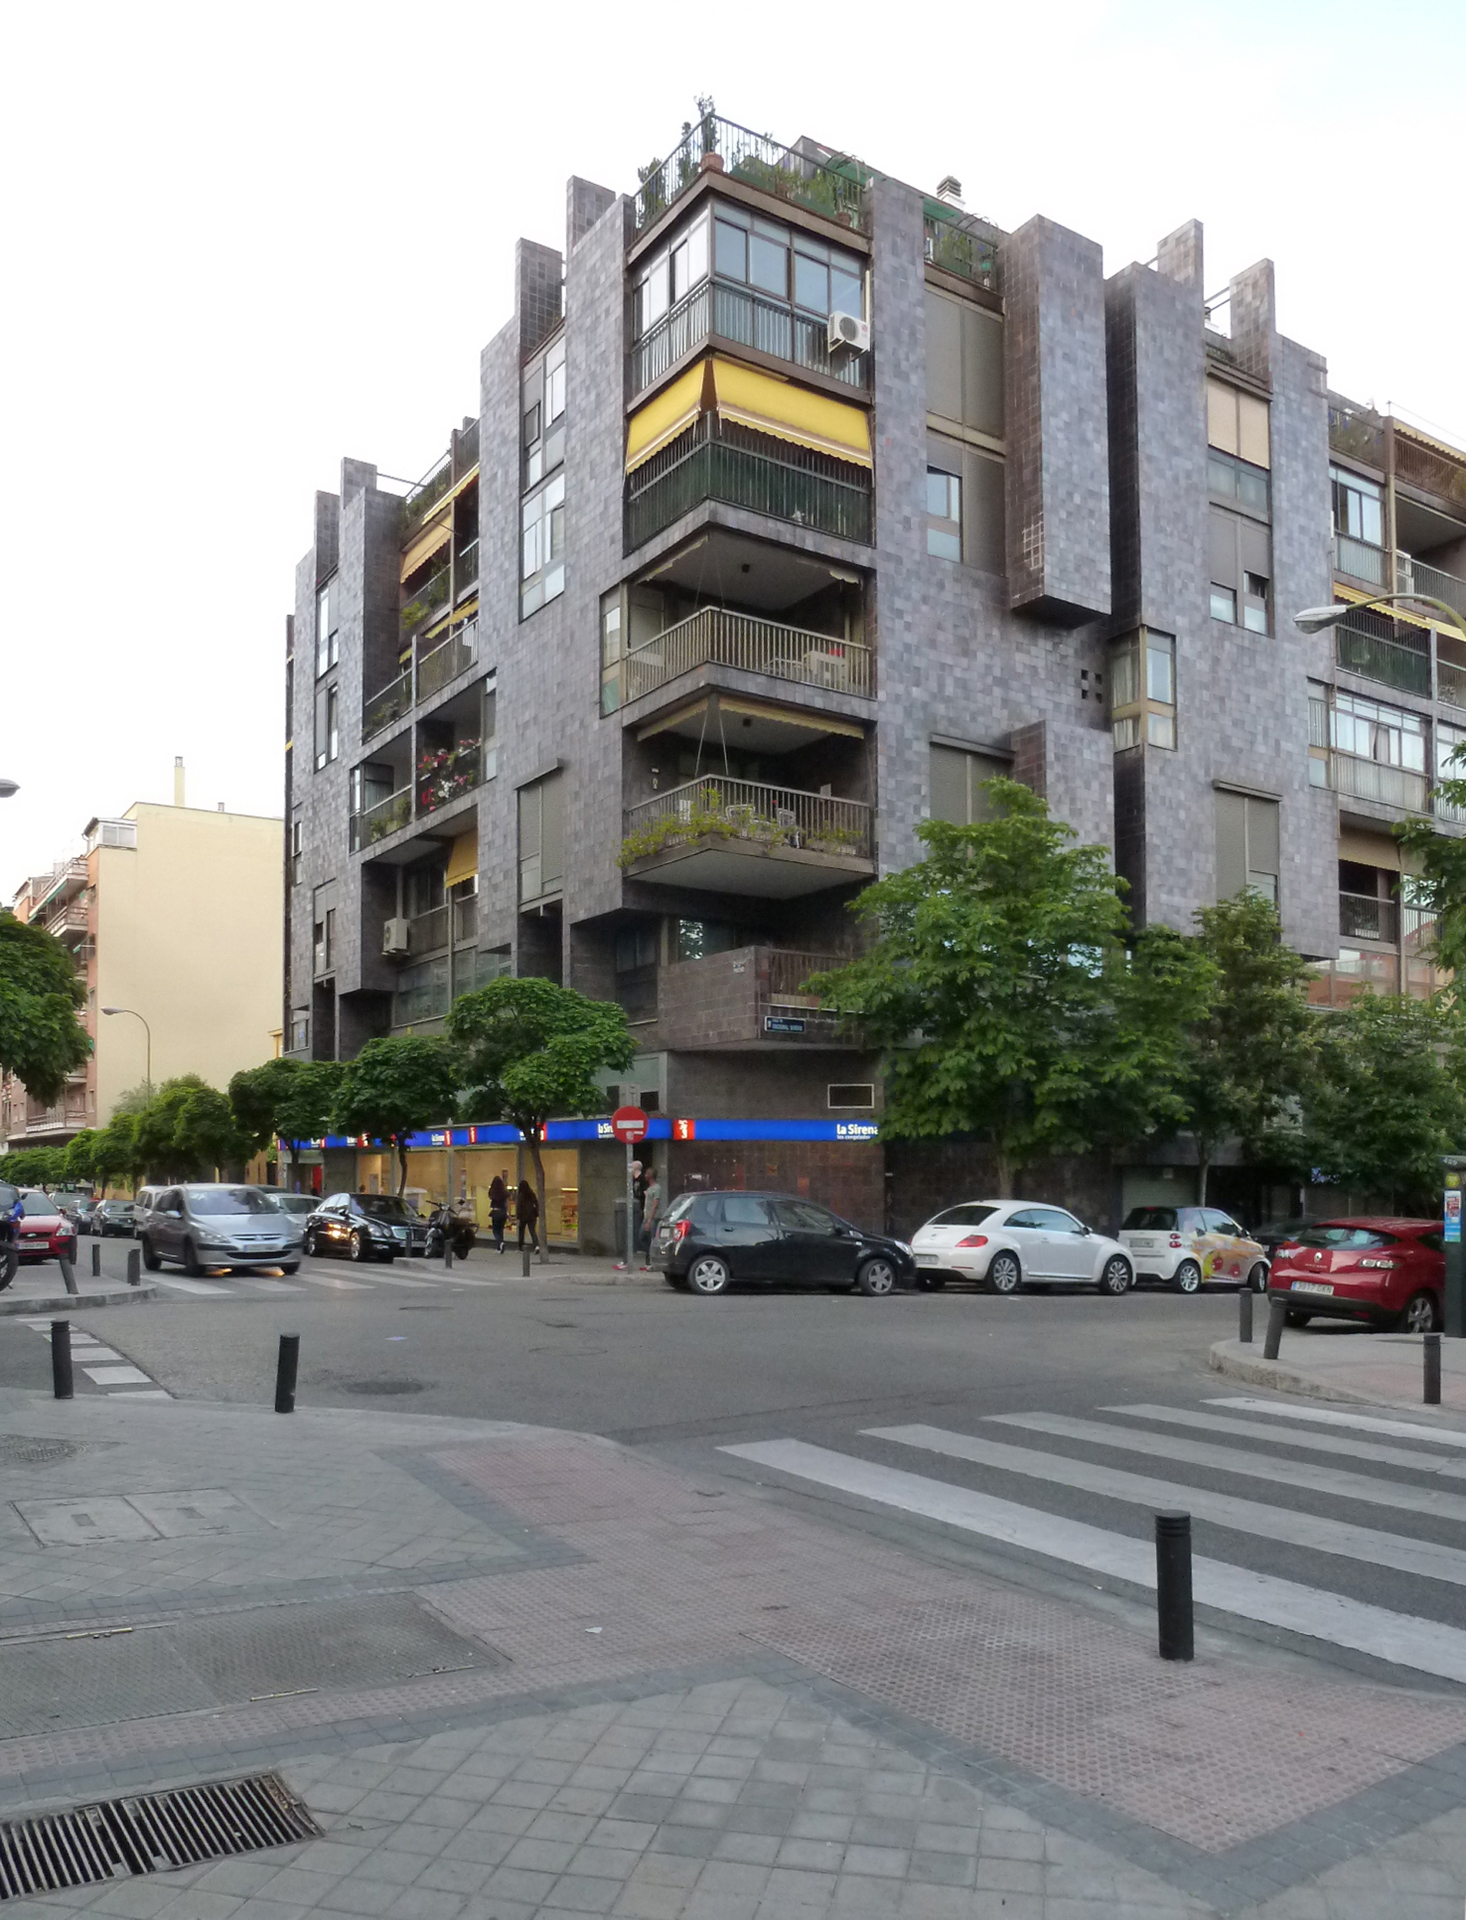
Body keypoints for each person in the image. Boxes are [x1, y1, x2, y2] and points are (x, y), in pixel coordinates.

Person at [639, 1170, 663, 1269]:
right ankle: (649, 1259)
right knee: (642, 1237)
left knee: (652, 1239)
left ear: (650, 1176)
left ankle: (652, 1262)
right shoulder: (649, 1188)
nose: (645, 1175)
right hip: (647, 1216)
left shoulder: (656, 1188)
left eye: (646, 1174)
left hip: (653, 1218)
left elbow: (655, 1204)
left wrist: (649, 1220)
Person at [517, 1178, 540, 1254]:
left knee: (521, 1231)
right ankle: (536, 1245)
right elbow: (536, 1204)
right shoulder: (532, 1194)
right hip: (532, 1216)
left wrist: (518, 1216)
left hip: (523, 1216)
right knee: (532, 1231)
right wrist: (536, 1213)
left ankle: (521, 1246)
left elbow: (519, 1206)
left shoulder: (521, 1195)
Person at [488, 1174, 508, 1254]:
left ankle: (500, 1243)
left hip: (496, 1212)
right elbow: (506, 1201)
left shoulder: (493, 1192)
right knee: (501, 1229)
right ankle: (499, 1246)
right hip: (503, 1212)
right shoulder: (504, 1192)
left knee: (495, 1230)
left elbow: (490, 1196)